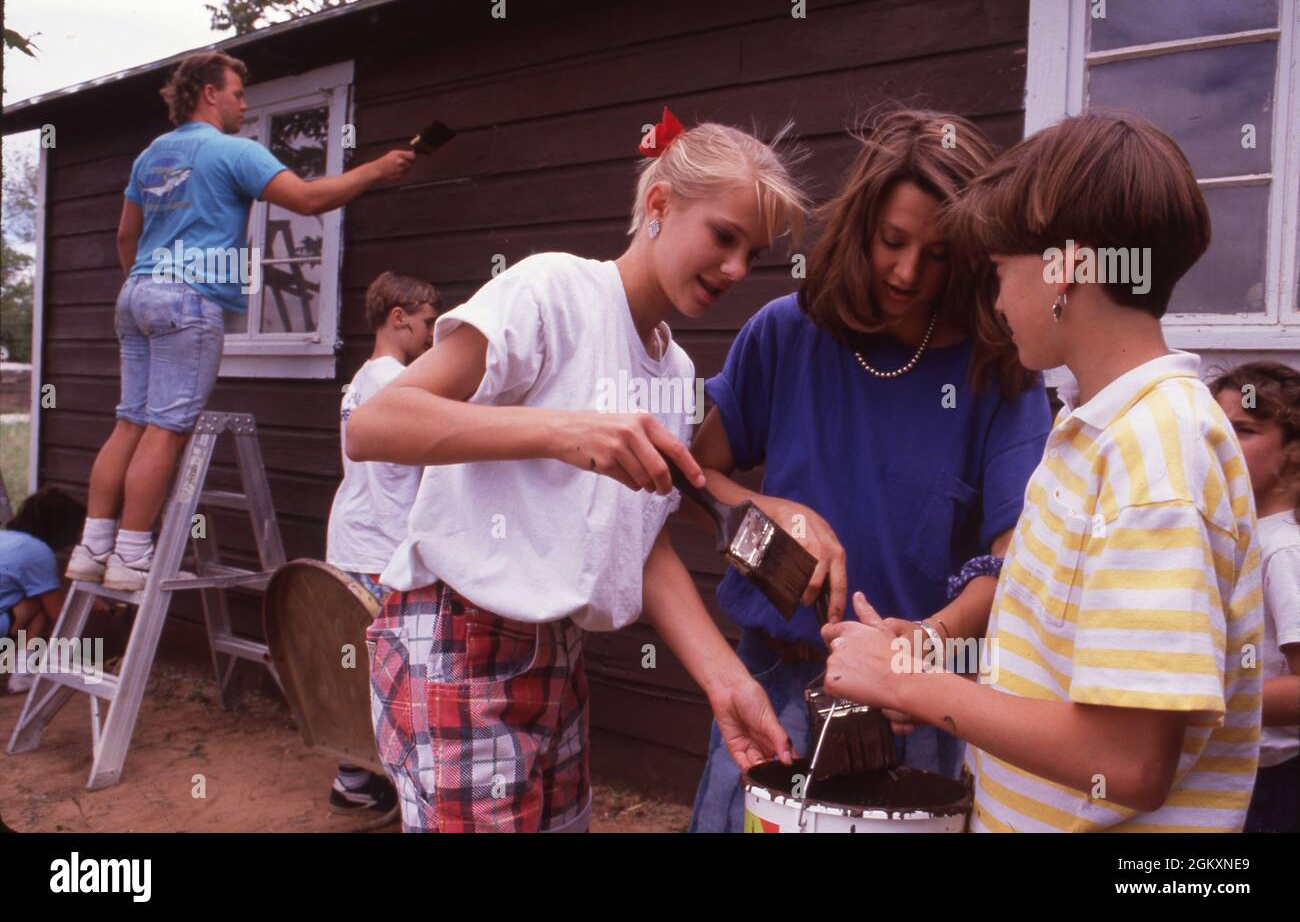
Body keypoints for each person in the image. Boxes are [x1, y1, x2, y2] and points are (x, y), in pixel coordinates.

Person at [346, 109, 808, 831]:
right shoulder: (552, 291)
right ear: (659, 205)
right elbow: (375, 424)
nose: (738, 269)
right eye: (725, 236)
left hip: (559, 659)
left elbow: (644, 543)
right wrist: (564, 431)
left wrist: (729, 682)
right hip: (457, 633)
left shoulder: (675, 370)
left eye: (755, 252)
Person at [825, 112, 1261, 831]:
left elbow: (1129, 760)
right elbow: (1055, 653)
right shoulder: (1089, 427)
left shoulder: (1156, 452)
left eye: (999, 271)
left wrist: (913, 682)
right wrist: (936, 647)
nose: (994, 300)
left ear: (1066, 268)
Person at [686, 109, 1051, 832]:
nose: (910, 272)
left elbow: (1012, 561)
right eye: (893, 241)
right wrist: (770, 515)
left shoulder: (1000, 369)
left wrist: (919, 646)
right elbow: (700, 474)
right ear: (860, 227)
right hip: (772, 678)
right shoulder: (788, 332)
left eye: (940, 253)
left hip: (915, 705)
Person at [66, 50, 416, 591]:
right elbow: (306, 199)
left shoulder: (152, 155)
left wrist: (146, 283)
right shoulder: (232, 152)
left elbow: (124, 237)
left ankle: (92, 547)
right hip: (187, 299)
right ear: (210, 93)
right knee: (164, 428)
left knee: (130, 420)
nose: (243, 104)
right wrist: (375, 169)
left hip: (137, 292)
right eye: (237, 93)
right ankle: (131, 554)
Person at [323, 271, 440, 818]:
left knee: (359, 668)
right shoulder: (398, 380)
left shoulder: (360, 381)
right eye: (427, 324)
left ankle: (353, 778)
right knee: (397, 675)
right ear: (399, 318)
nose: (431, 336)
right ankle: (411, 788)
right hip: (382, 547)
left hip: (352, 536)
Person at [1210, 362, 1300, 833]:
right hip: (1236, 768)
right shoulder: (1245, 538)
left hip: (1274, 786)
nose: (1221, 444)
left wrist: (1205, 703)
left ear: (1293, 451)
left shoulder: (1284, 550)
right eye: (1216, 429)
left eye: (1242, 430)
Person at [1, 487, 85, 693]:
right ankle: (23, 674)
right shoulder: (39, 552)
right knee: (40, 604)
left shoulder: (5, 537)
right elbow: (57, 613)